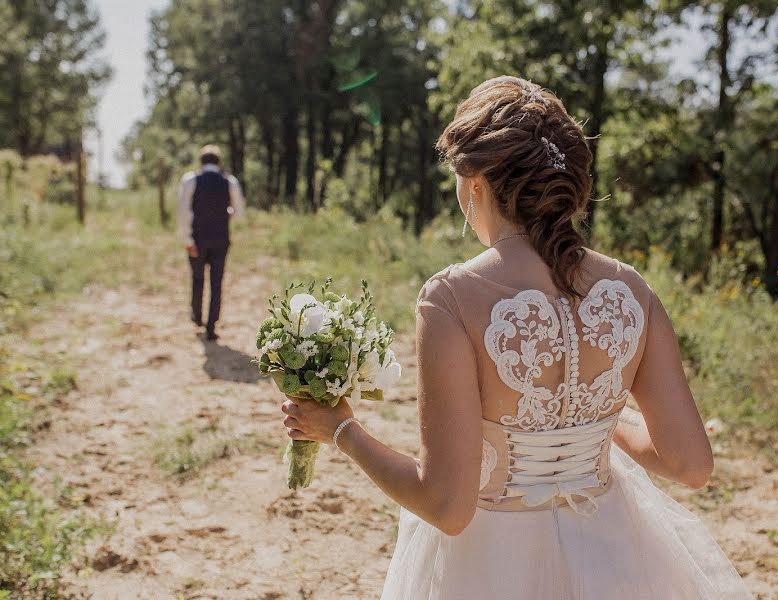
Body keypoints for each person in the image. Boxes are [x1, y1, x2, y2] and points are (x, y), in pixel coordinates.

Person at [280, 76, 751, 598]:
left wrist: (343, 430)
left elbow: (446, 506)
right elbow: (690, 464)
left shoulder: (453, 299)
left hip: (490, 570)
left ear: (477, 181)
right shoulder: (631, 290)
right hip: (614, 559)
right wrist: (592, 418)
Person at [177, 144, 245, 341]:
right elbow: (239, 213)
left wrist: (187, 239)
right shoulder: (229, 182)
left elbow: (183, 213)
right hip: (221, 239)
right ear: (218, 162)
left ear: (201, 161)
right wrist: (225, 214)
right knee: (217, 283)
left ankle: (197, 316)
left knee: (197, 278)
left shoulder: (191, 180)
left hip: (197, 239)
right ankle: (211, 327)